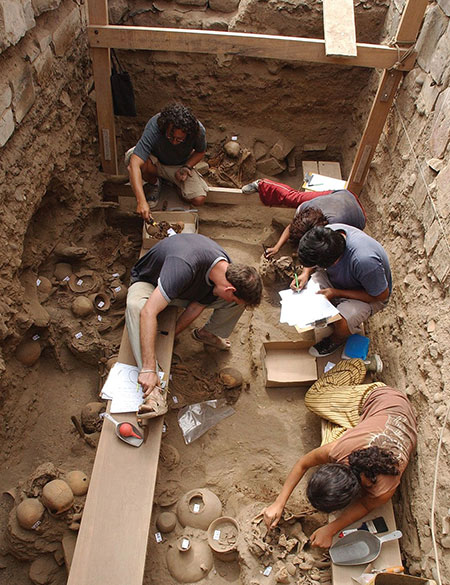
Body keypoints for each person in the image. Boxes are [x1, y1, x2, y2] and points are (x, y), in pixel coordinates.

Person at [263, 359, 417, 549]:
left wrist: (331, 529)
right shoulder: (342, 449)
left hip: (382, 409)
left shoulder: (383, 488)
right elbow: (304, 463)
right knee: (321, 414)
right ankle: (357, 378)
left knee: (322, 414)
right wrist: (279, 503)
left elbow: (366, 506)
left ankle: (357, 376)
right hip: (383, 407)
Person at [125, 233, 262, 418]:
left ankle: (207, 333)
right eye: (232, 295)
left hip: (180, 289)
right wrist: (149, 366)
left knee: (237, 303)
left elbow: (197, 305)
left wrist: (170, 336)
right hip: (150, 283)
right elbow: (148, 312)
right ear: (230, 289)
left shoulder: (226, 270)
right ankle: (153, 388)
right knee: (136, 308)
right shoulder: (185, 266)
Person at [294, 224, 392, 357]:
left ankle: (337, 339)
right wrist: (305, 274)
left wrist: (337, 293)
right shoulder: (327, 236)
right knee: (311, 290)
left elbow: (381, 295)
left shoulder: (365, 262)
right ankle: (332, 313)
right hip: (341, 280)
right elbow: (312, 262)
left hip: (368, 294)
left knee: (344, 320)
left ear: (330, 263)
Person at [126, 103, 209, 222]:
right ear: (165, 127)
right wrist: (141, 201)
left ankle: (173, 184)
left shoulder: (198, 131)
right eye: (170, 136)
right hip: (155, 163)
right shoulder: (155, 126)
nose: (174, 142)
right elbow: (134, 164)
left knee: (199, 199)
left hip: (179, 165)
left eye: (179, 139)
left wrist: (187, 166)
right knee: (133, 158)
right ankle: (154, 183)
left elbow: (200, 152)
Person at [264, 189, 366, 257]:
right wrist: (277, 247)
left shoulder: (333, 228)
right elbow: (293, 226)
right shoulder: (304, 208)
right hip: (340, 194)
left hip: (358, 214)